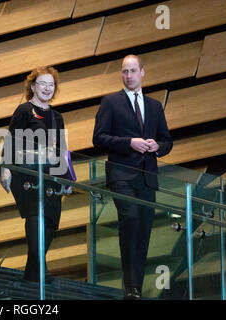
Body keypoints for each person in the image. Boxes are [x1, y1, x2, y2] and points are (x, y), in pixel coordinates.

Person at [93, 55, 173, 299]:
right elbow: (99, 138)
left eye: (132, 71)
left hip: (147, 177)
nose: (128, 75)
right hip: (121, 175)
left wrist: (155, 146)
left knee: (144, 229)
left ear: (142, 72)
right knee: (131, 220)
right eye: (124, 71)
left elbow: (167, 141)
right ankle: (131, 286)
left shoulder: (155, 106)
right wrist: (130, 143)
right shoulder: (110, 102)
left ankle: (136, 286)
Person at [0, 66, 71, 283]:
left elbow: (62, 150)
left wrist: (68, 179)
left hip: (49, 174)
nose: (48, 88)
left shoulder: (57, 116)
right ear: (32, 86)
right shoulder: (24, 110)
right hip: (26, 173)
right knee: (35, 215)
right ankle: (39, 269)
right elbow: (10, 141)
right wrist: (5, 168)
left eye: (51, 84)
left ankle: (32, 272)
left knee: (51, 221)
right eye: (43, 83)